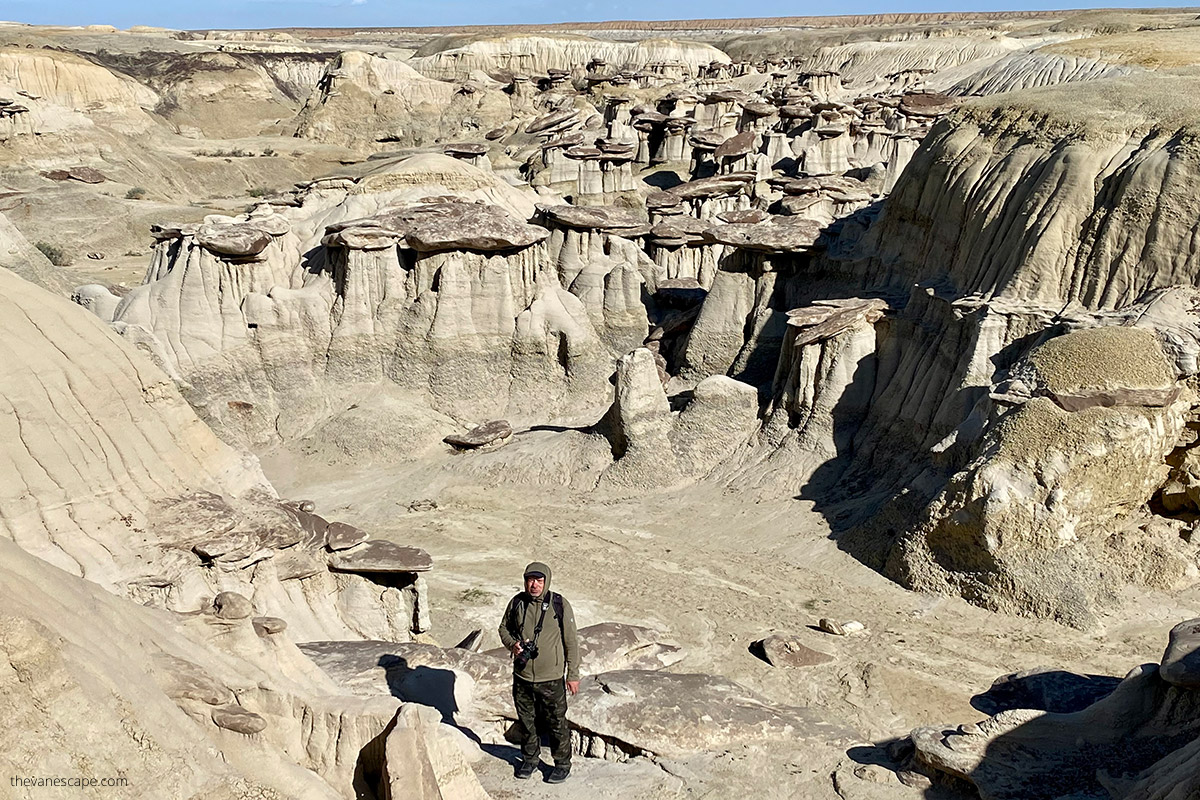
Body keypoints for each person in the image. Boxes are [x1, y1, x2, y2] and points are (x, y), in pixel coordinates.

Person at [498, 561, 579, 784]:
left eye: (539, 580)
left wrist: (573, 674)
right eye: (530, 580)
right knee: (526, 721)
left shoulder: (559, 604)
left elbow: (571, 641)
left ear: (547, 581)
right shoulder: (517, 603)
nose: (534, 585)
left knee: (556, 722)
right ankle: (530, 759)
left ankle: (562, 763)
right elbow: (503, 628)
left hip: (551, 678)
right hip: (523, 677)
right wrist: (512, 644)